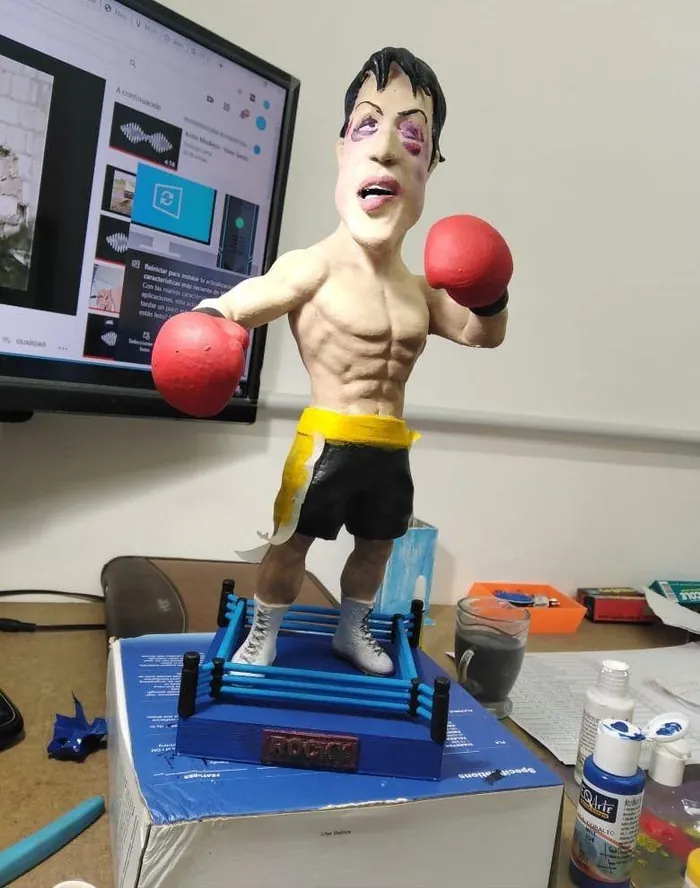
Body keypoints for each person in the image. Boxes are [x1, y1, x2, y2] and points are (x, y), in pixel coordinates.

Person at [152, 47, 511, 676]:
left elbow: (483, 334)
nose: (387, 150)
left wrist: (491, 287)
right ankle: (263, 632)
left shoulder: (422, 291)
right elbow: (234, 307)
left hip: (390, 444)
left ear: (430, 165)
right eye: (367, 126)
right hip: (326, 440)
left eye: (412, 136)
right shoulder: (312, 267)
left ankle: (351, 632)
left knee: (378, 548)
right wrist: (205, 333)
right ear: (342, 148)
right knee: (292, 543)